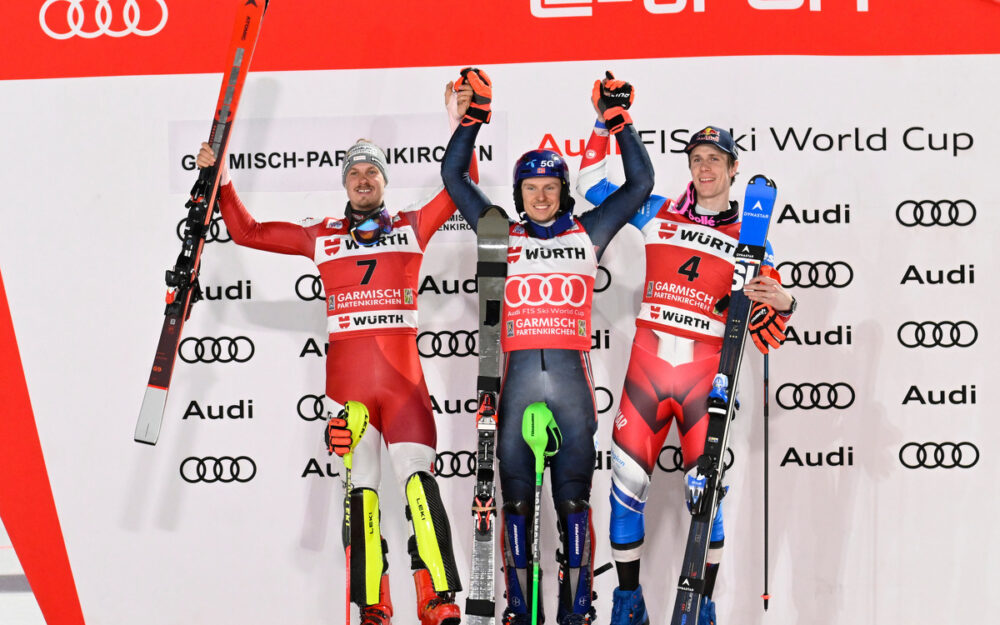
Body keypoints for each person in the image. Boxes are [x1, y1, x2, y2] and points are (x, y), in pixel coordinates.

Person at [195, 82, 479, 625]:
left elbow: (459, 186)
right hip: (348, 394)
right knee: (362, 501)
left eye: (372, 171)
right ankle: (374, 604)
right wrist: (222, 176)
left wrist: (458, 123)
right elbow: (247, 232)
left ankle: (437, 600)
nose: (364, 179)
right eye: (355, 172)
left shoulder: (412, 227)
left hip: (404, 392)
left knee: (419, 486)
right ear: (344, 183)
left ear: (384, 181)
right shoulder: (321, 236)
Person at [441, 68, 655, 625]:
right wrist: (473, 118)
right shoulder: (498, 232)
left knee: (574, 510)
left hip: (572, 394)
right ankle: (519, 613)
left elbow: (639, 186)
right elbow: (454, 179)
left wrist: (619, 122)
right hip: (511, 397)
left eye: (550, 188)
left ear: (563, 192)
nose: (541, 197)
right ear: (518, 196)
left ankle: (578, 612)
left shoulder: (588, 230)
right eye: (531, 189)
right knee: (514, 510)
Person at [575, 122, 797, 625]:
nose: (705, 167)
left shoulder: (752, 236)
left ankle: (703, 606)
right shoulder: (655, 212)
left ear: (734, 169)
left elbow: (773, 320)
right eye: (697, 158)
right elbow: (590, 183)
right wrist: (603, 122)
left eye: (716, 159)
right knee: (625, 488)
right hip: (645, 380)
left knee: (707, 500)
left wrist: (787, 302)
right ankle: (627, 603)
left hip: (705, 385)